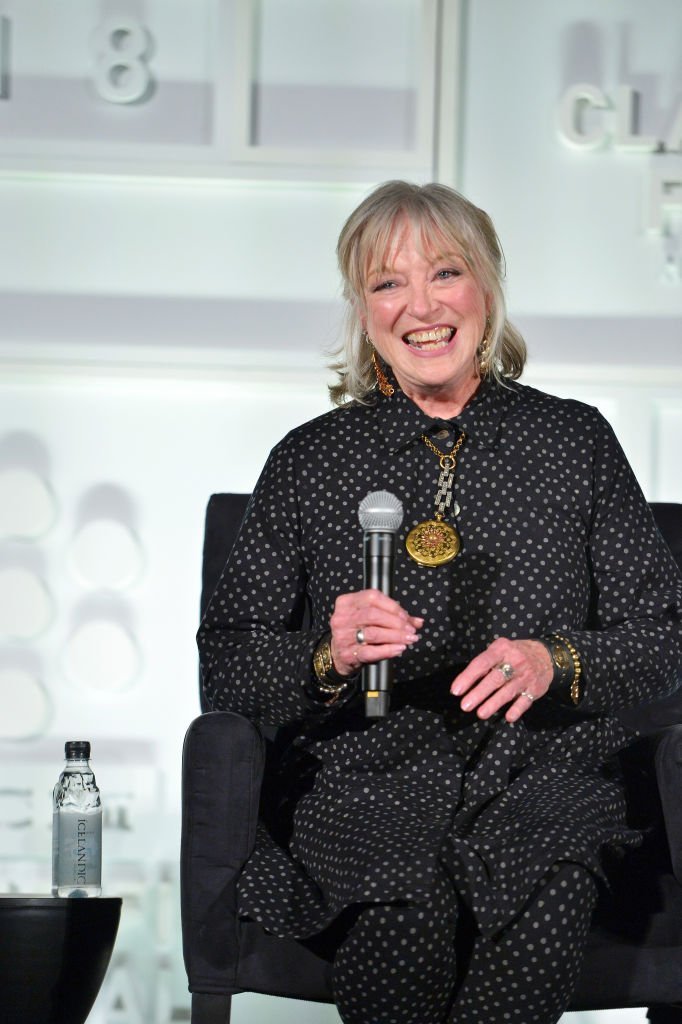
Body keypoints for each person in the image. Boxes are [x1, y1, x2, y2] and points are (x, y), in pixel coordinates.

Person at [197, 180, 682, 1024]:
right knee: (398, 931)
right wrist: (327, 653)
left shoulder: (574, 442)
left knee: (549, 893)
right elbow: (228, 664)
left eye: (446, 273)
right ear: (363, 311)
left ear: (488, 290)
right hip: (366, 794)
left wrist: (554, 659)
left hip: (548, 787)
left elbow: (665, 634)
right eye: (388, 283)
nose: (421, 306)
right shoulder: (309, 462)